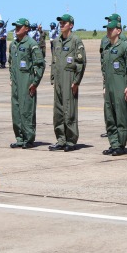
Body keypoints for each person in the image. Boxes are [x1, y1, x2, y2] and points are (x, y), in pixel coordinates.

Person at [49, 14, 86, 152]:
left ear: (71, 25)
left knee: (69, 110)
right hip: (58, 79)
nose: (61, 25)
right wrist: (53, 77)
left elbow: (81, 63)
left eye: (64, 23)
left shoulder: (76, 41)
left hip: (69, 78)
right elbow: (54, 60)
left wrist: (76, 81)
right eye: (60, 23)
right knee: (58, 111)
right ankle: (61, 139)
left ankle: (71, 140)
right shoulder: (57, 41)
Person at [100, 20, 127, 156]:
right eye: (107, 29)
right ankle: (113, 143)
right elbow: (104, 70)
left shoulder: (124, 47)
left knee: (121, 116)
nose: (108, 31)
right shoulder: (107, 48)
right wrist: (104, 86)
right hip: (109, 86)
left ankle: (121, 144)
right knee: (109, 116)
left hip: (120, 85)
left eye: (111, 29)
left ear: (118, 31)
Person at [9, 18, 46, 149]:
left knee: (27, 110)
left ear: (26, 28)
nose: (16, 29)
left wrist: (35, 83)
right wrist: (11, 78)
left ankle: (29, 138)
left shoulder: (32, 44)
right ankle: (19, 138)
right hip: (15, 83)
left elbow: (40, 64)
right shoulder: (13, 45)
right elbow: (11, 63)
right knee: (16, 110)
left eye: (19, 27)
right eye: (16, 27)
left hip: (27, 81)